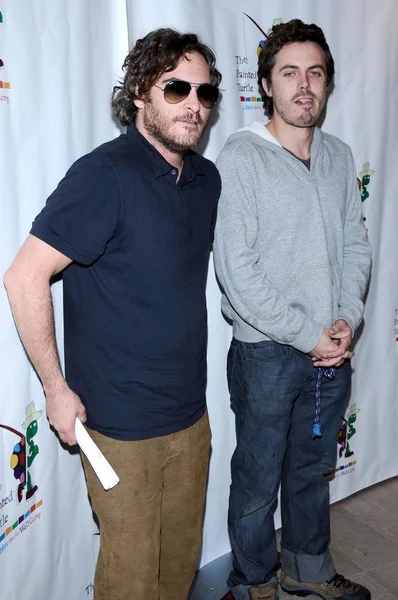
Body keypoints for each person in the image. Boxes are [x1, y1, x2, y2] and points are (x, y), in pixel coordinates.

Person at [4, 28, 221, 600]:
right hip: (119, 427)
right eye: (177, 89)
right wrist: (55, 387)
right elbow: (25, 276)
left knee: (179, 569)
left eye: (206, 92)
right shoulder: (105, 174)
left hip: (190, 417)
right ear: (141, 93)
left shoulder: (206, 180)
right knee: (129, 582)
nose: (194, 105)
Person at [213, 19, 371, 600]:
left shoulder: (339, 155)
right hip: (267, 356)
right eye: (289, 73)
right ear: (265, 86)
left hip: (332, 350)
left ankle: (308, 575)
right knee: (256, 482)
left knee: (311, 473)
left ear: (326, 84)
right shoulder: (241, 159)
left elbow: (356, 245)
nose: (304, 85)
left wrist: (346, 319)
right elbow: (237, 270)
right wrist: (309, 333)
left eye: (315, 73)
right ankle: (253, 584)